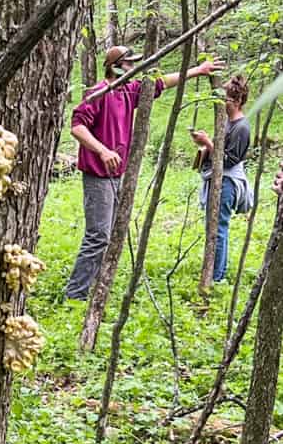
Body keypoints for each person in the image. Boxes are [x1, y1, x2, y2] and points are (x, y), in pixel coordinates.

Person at [64, 46, 224, 301]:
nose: (133, 68)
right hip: (98, 177)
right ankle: (75, 294)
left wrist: (198, 70)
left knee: (109, 235)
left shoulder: (129, 90)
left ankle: (96, 289)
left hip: (119, 176)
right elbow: (77, 127)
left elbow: (162, 82)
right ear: (115, 66)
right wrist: (103, 150)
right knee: (98, 236)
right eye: (129, 64)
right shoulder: (98, 93)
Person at [191, 75, 253, 283]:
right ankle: (215, 271)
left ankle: (216, 277)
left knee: (218, 228)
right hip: (218, 179)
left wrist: (208, 143)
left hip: (227, 183)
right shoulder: (226, 122)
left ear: (235, 101)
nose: (221, 102)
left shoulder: (242, 127)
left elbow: (228, 160)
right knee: (213, 227)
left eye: (224, 98)